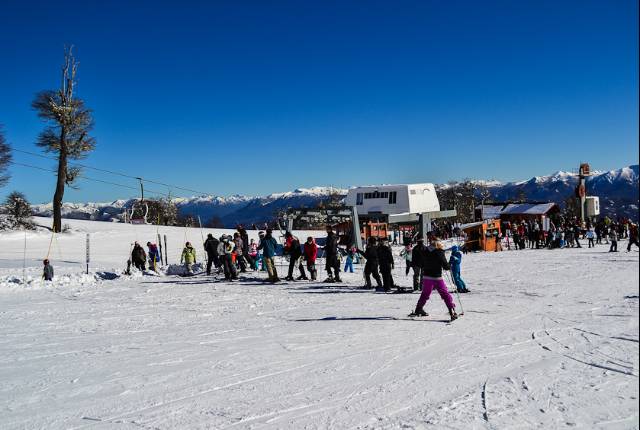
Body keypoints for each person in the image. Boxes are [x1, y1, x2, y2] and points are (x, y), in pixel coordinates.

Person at [410, 238, 458, 322]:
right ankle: (452, 311)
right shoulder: (439, 252)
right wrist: (449, 266)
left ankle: (418, 309)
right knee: (444, 293)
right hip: (436, 277)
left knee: (425, 293)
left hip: (426, 276)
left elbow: (422, 262)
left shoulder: (425, 251)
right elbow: (445, 265)